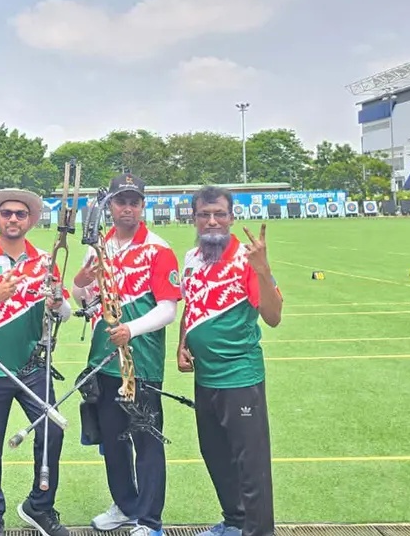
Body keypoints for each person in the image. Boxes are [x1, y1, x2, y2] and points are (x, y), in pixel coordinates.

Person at [0, 189, 72, 536]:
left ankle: (40, 506)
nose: (13, 219)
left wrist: (57, 302)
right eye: (6, 213)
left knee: (51, 432)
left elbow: (65, 312)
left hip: (33, 366)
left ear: (30, 220)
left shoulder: (45, 261)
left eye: (21, 214)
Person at [71, 173, 182, 536]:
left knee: (146, 440)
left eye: (135, 202)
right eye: (121, 202)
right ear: (111, 206)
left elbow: (168, 308)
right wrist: (80, 284)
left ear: (143, 206)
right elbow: (85, 301)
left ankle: (149, 521)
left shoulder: (158, 249)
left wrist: (130, 330)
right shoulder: (98, 247)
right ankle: (125, 505)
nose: (128, 208)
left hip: (141, 362)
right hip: (104, 361)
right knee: (114, 440)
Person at [176, 186, 282, 536]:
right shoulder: (191, 258)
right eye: (204, 215)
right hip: (205, 377)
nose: (212, 221)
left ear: (231, 218)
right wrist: (182, 343)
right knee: (215, 455)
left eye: (219, 214)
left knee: (250, 465)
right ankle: (235, 522)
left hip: (240, 377)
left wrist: (263, 271)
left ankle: (258, 531)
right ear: (194, 219)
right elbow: (192, 305)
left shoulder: (246, 260)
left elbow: (273, 316)